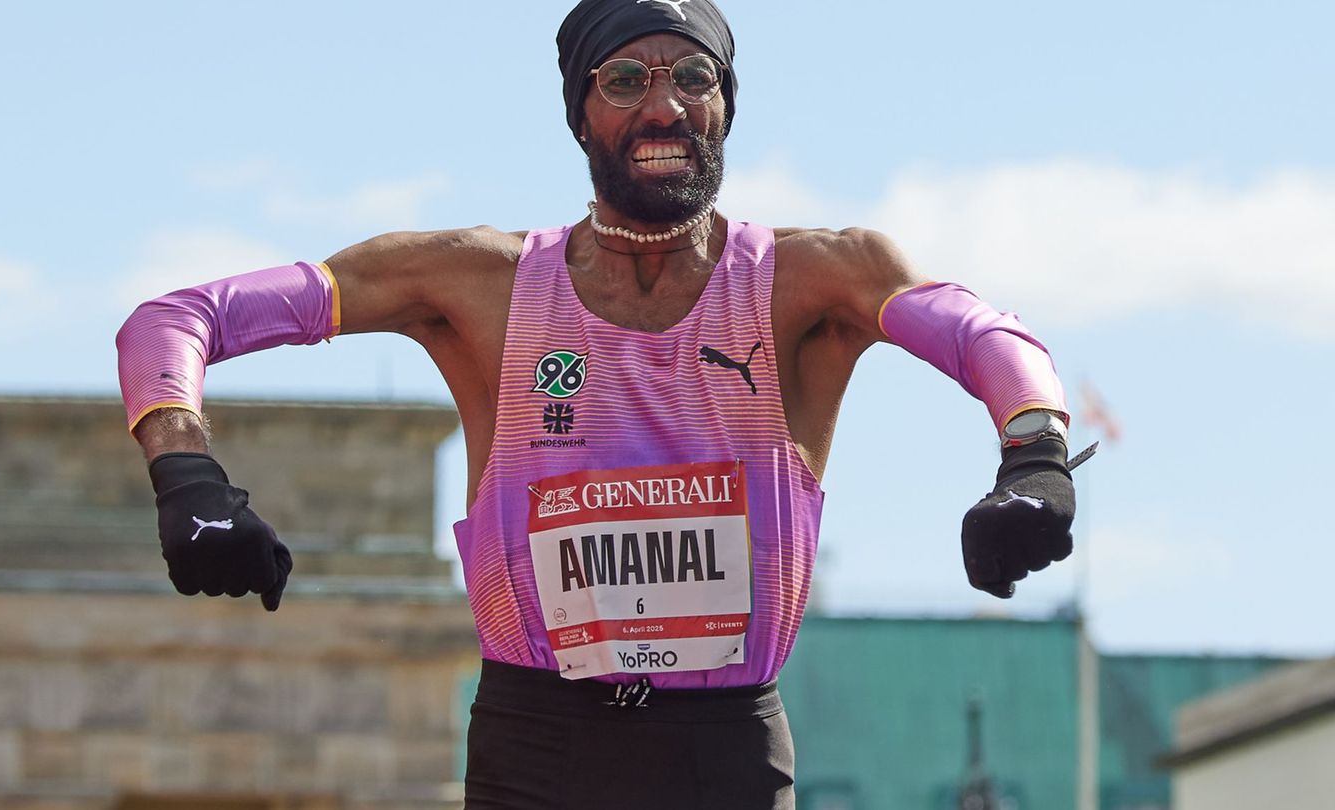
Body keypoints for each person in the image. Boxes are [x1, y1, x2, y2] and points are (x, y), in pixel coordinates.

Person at [116, 1, 1081, 807]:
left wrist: (1033, 459)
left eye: (693, 79)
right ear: (580, 115)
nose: (664, 106)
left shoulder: (811, 278)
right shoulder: (477, 284)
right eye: (625, 80)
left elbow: (988, 335)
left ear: (727, 106)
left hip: (724, 753)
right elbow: (176, 321)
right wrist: (186, 472)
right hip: (537, 747)